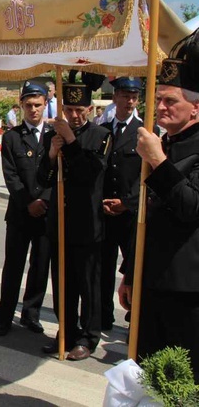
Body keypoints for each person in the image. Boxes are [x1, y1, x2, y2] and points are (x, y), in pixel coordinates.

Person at [119, 31, 199, 382]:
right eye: (158, 100)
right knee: (147, 377)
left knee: (181, 384)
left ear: (196, 106)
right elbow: (145, 216)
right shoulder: (163, 141)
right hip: (149, 282)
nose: (161, 107)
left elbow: (191, 207)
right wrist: (129, 273)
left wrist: (158, 161)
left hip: (187, 292)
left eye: (170, 101)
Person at [38, 82, 111, 361]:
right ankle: (65, 331)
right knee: (62, 283)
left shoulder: (101, 135)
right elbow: (42, 179)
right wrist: (52, 155)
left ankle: (88, 336)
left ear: (89, 109)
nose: (74, 115)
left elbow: (90, 174)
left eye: (79, 110)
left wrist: (71, 141)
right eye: (69, 109)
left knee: (88, 285)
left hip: (86, 223)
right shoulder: (52, 136)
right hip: (60, 222)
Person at [0, 81, 52, 337]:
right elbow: (10, 175)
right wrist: (28, 202)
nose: (33, 110)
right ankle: (4, 317)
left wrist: (44, 201)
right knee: (13, 266)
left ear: (45, 104)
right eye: (28, 105)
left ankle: (31, 314)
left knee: (40, 267)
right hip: (20, 212)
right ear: (21, 106)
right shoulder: (11, 137)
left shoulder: (55, 137)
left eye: (38, 105)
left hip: (45, 214)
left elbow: (57, 175)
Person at [100, 77, 143, 331]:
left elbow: (146, 178)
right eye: (125, 96)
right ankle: (103, 316)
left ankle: (133, 317)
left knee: (133, 269)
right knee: (103, 269)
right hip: (105, 212)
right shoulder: (103, 130)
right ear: (114, 97)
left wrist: (127, 203)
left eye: (134, 97)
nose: (129, 101)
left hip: (130, 214)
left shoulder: (145, 130)